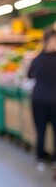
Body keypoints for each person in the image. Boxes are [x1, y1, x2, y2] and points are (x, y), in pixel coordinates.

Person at [27, 27, 56, 171]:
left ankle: (40, 159)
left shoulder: (37, 59)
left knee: (41, 130)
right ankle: (42, 158)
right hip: (45, 99)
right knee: (42, 130)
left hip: (39, 98)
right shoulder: (38, 58)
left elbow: (29, 75)